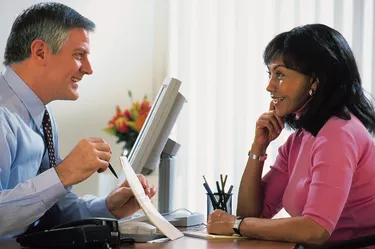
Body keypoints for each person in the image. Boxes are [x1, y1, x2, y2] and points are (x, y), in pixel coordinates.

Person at [207, 24, 375, 246]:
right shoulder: (301, 139)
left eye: (280, 75)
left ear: (314, 81)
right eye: (270, 74)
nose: (270, 86)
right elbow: (251, 214)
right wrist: (258, 148)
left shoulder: (338, 135)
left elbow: (316, 229)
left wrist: (236, 224)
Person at [0, 2, 156, 238]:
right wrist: (63, 174)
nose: (89, 69)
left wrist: (108, 206)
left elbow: (50, 209)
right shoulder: (3, 116)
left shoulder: (43, 116)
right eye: (79, 55)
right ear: (40, 51)